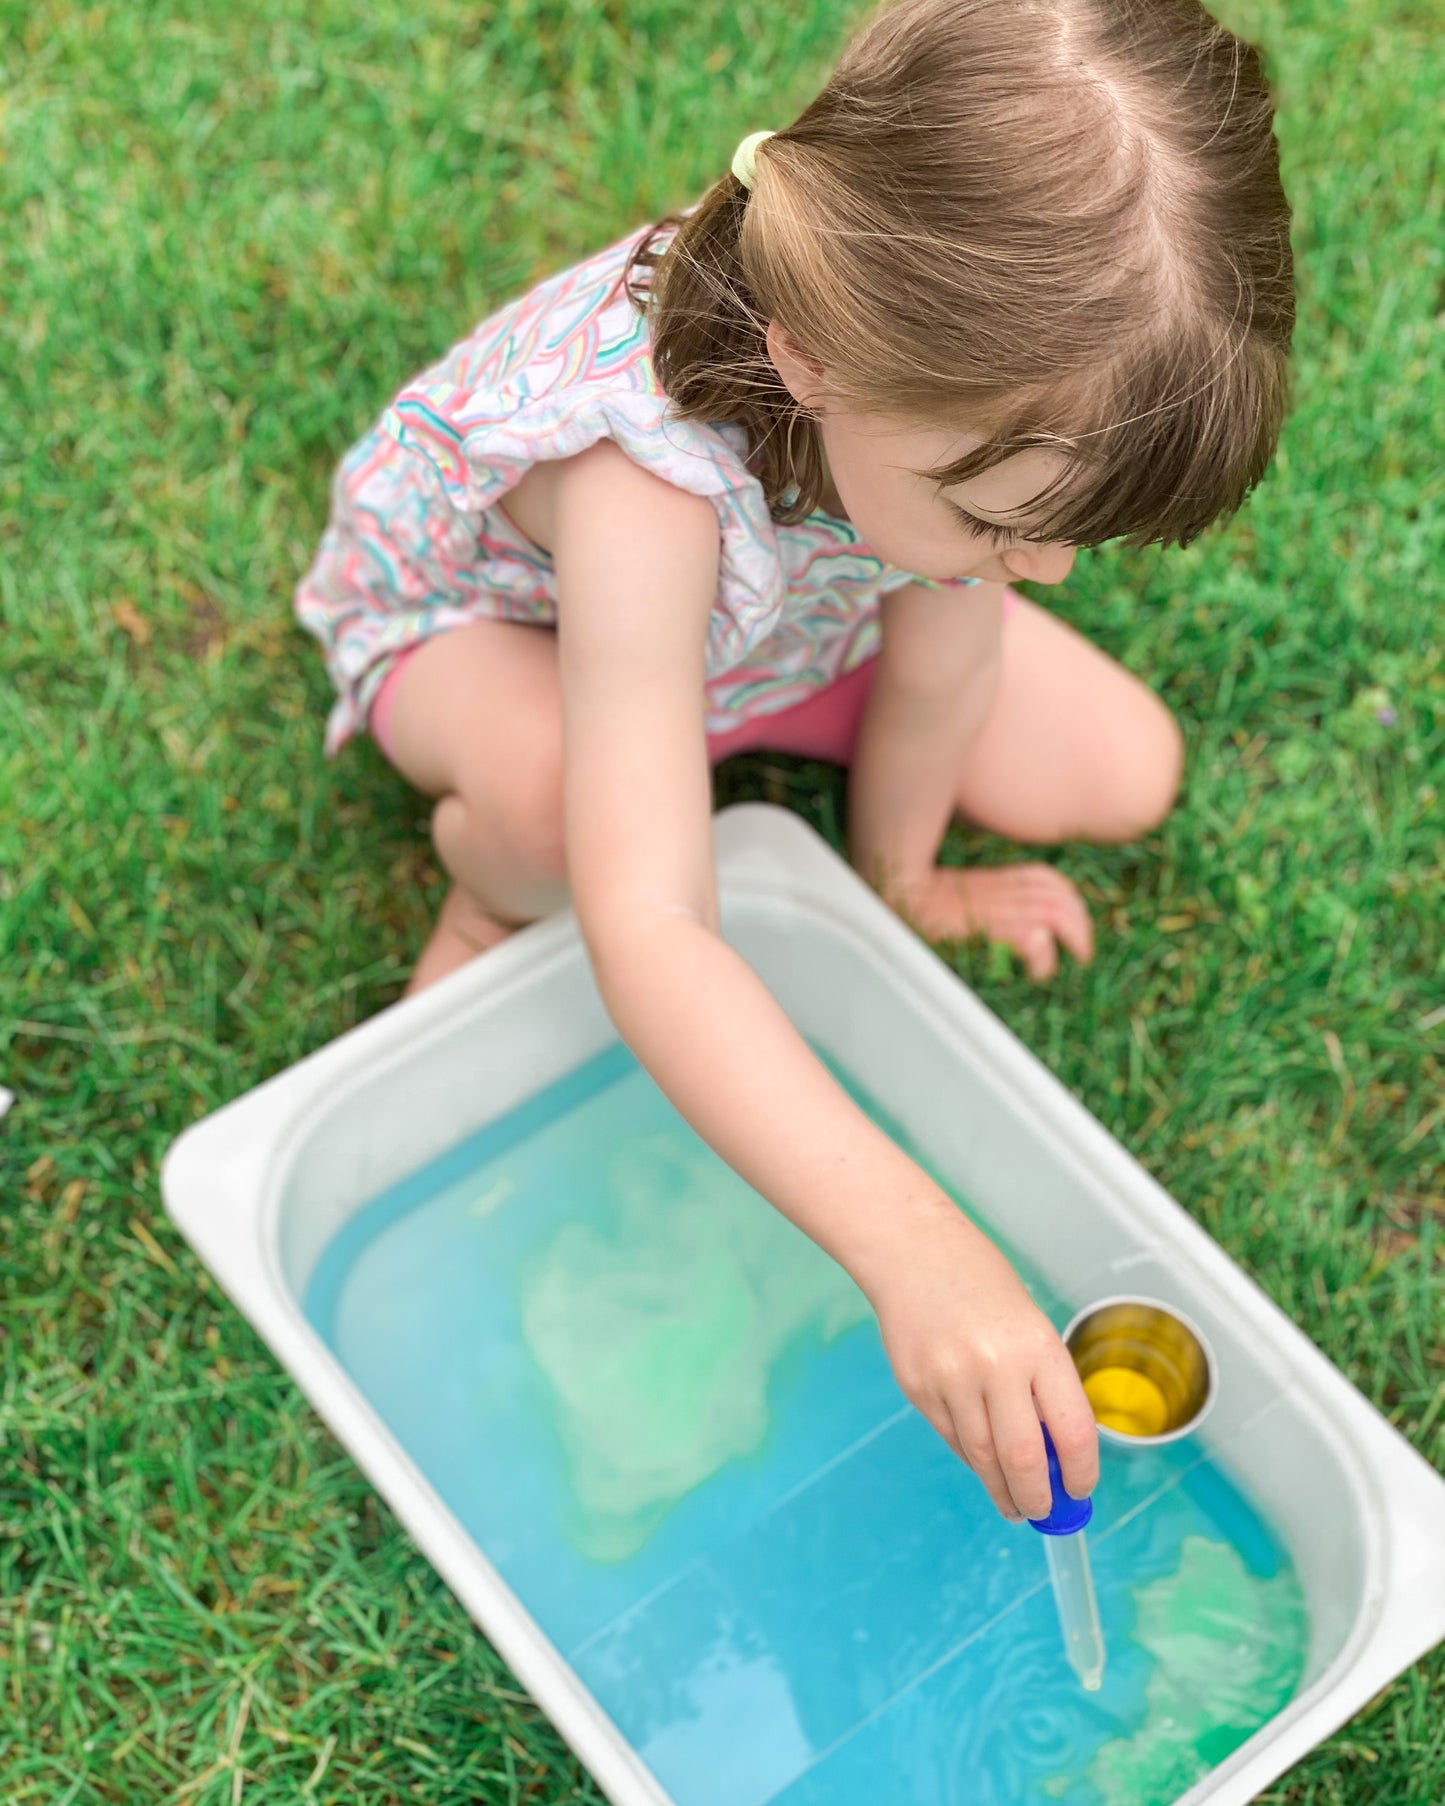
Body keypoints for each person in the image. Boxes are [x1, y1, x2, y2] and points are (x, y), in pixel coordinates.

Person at [295, 0, 1293, 1523]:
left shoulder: (930, 424)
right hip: (491, 637)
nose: (1048, 571)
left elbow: (951, 639)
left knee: (1120, 765)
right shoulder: (645, 492)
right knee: (581, 830)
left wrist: (903, 876)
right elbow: (656, 928)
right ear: (810, 361)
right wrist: (911, 1238)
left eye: (1069, 526)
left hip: (758, 643)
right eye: (1002, 521)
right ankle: (492, 895)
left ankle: (767, 771)